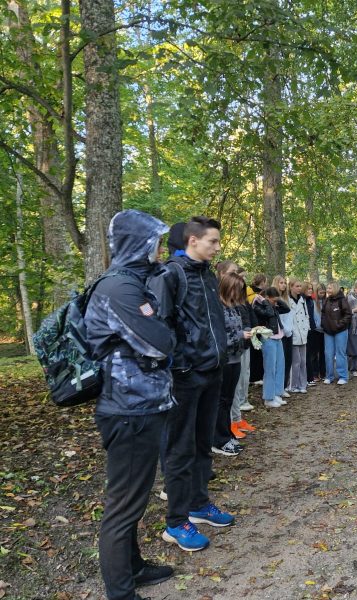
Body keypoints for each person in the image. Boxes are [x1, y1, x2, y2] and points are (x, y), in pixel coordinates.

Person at [85, 209, 176, 600]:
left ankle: (133, 567)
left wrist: (155, 321)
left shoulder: (134, 283)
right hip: (128, 409)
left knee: (134, 497)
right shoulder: (119, 289)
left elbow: (156, 333)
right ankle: (120, 591)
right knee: (123, 504)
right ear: (137, 243)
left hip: (142, 404)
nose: (159, 248)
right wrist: (158, 328)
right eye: (154, 240)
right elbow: (161, 341)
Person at [149, 216, 234, 552]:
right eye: (212, 241)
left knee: (202, 443)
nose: (217, 247)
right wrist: (180, 365)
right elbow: (159, 326)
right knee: (179, 448)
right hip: (184, 378)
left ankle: (199, 505)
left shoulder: (208, 275)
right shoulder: (170, 275)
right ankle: (175, 522)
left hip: (212, 372)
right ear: (193, 241)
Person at [212, 272, 251, 456]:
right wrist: (240, 335)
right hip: (224, 360)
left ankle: (226, 434)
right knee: (221, 400)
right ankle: (218, 439)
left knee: (228, 399)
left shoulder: (233, 307)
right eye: (237, 289)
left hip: (236, 357)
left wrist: (247, 332)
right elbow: (219, 336)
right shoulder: (217, 307)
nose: (239, 293)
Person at [253, 286, 291, 407]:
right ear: (267, 298)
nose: (275, 303)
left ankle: (277, 393)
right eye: (273, 300)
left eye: (276, 300)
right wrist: (265, 302)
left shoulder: (274, 305)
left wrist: (277, 300)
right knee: (270, 369)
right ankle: (268, 398)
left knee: (280, 367)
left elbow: (287, 309)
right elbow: (268, 313)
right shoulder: (259, 306)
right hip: (268, 339)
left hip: (278, 338)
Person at [321, 280, 352, 385]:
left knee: (340, 353)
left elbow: (348, 315)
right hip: (328, 332)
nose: (327, 290)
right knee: (328, 354)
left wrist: (339, 324)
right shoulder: (326, 300)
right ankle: (329, 376)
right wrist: (324, 325)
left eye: (329, 288)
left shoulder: (342, 300)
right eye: (327, 288)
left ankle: (343, 376)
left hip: (341, 331)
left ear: (334, 288)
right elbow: (323, 314)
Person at [288, 277, 310, 393]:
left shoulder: (302, 300)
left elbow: (306, 316)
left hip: (303, 333)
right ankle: (293, 385)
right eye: (297, 286)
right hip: (293, 334)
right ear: (291, 287)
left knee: (303, 361)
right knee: (295, 362)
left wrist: (306, 329)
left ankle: (303, 384)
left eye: (300, 286)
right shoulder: (287, 300)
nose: (299, 288)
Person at [272, 275, 293, 394]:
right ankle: (277, 388)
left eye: (285, 283)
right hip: (279, 333)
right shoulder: (273, 299)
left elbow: (290, 315)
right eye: (281, 283)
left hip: (289, 333)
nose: (284, 285)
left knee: (288, 360)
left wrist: (289, 330)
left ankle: (284, 386)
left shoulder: (287, 299)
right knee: (279, 362)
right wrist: (284, 329)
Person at [247, 274, 267, 385]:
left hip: (255, 325)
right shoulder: (254, 295)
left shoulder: (249, 291)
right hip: (256, 325)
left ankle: (255, 376)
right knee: (256, 352)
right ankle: (255, 377)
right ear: (262, 282)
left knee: (256, 351)